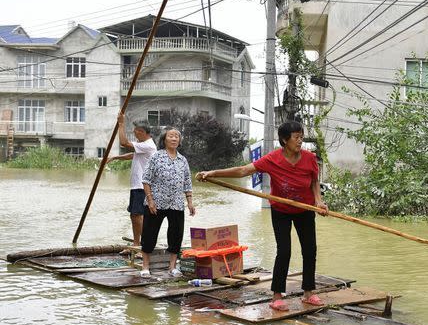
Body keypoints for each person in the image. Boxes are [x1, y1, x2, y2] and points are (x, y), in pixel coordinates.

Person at [196, 121, 328, 311]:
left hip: (305, 209)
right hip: (281, 210)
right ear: (284, 140)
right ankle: (276, 297)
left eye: (301, 137)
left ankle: (308, 293)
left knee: (310, 250)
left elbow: (314, 181)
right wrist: (213, 173)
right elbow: (243, 170)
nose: (300, 141)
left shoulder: (309, 158)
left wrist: (318, 201)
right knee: (284, 251)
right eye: (296, 137)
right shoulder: (272, 159)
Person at [140, 127, 195, 278]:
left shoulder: (182, 160)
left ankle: (172, 267)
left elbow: (187, 182)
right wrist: (150, 200)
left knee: (176, 235)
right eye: (171, 136)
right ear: (164, 139)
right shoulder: (156, 157)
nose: (174, 139)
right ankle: (145, 266)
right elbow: (146, 180)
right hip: (156, 203)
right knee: (149, 234)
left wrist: (189, 202)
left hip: (176, 203)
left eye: (177, 136)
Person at [107, 114, 157, 246]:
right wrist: (115, 157)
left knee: (138, 215)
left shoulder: (148, 145)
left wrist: (121, 124)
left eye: (135, 131)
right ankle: (136, 244)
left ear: (141, 132)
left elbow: (124, 143)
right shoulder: (143, 145)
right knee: (134, 216)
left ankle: (141, 245)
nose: (134, 134)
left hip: (142, 186)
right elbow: (132, 155)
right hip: (137, 186)